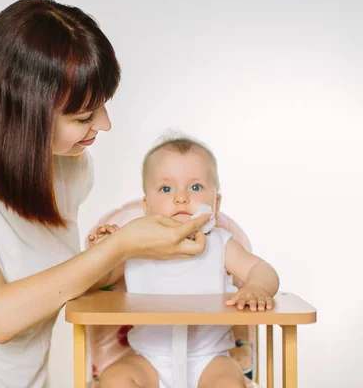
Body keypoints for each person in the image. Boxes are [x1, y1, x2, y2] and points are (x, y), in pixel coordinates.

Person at [0, 0, 212, 388]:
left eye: (102, 106)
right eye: (84, 117)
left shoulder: (68, 167)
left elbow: (59, 285)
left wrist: (135, 258)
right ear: (22, 113)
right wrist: (120, 246)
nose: (104, 124)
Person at [90, 134, 280, 388]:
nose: (181, 197)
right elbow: (101, 282)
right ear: (146, 205)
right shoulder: (135, 246)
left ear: (216, 203)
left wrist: (257, 286)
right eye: (166, 188)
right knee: (116, 379)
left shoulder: (220, 244)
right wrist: (108, 250)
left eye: (196, 187)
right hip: (148, 359)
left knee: (228, 383)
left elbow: (262, 269)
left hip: (210, 360)